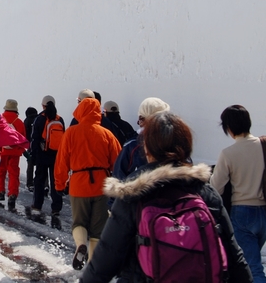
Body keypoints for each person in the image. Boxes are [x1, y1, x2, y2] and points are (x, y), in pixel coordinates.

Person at [80, 112, 253, 283]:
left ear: (148, 149)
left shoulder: (133, 195)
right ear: (186, 147)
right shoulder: (204, 192)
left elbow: (105, 259)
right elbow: (234, 256)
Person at [211, 105, 266, 283]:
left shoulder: (228, 154)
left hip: (242, 214)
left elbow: (216, 188)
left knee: (252, 268)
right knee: (248, 262)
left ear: (228, 128)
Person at [55, 91, 122, 270]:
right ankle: (92, 268)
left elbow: (61, 162)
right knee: (98, 230)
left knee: (79, 223)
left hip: (78, 183)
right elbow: (118, 162)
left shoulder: (70, 133)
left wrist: (60, 184)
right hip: (101, 185)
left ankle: (80, 245)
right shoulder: (107, 134)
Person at [112, 97, 170, 180]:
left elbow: (118, 177)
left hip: (140, 191)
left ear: (142, 119)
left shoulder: (133, 145)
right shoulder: (177, 140)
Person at [29, 96, 65, 219]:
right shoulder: (59, 119)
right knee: (55, 180)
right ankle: (56, 208)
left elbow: (35, 139)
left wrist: (33, 155)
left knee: (39, 180)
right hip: (56, 155)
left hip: (42, 154)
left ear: (43, 106)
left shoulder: (40, 119)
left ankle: (37, 206)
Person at [0, 98, 26, 212]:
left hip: (2, 151)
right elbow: (23, 138)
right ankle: (12, 194)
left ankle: (0, 192)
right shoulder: (19, 122)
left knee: (0, 172)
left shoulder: (0, 119)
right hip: (14, 152)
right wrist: (21, 150)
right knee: (13, 173)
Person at [23, 106, 39, 192]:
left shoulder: (26, 121)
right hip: (39, 145)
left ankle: (30, 183)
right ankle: (45, 185)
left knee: (30, 164)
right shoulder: (39, 119)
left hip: (30, 145)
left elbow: (24, 134)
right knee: (41, 165)